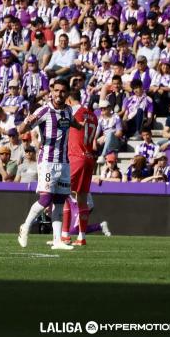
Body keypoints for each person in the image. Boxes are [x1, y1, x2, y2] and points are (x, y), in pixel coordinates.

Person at [17, 79, 81, 251]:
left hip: (64, 162)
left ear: (67, 94)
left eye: (62, 91)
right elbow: (21, 130)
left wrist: (82, 125)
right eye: (56, 90)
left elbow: (74, 123)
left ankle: (57, 240)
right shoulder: (44, 110)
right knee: (45, 199)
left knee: (60, 201)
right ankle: (26, 226)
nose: (59, 94)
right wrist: (27, 121)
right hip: (47, 161)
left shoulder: (68, 110)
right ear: (51, 92)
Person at [62, 90, 98, 247]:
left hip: (75, 157)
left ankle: (64, 235)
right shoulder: (93, 115)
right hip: (89, 158)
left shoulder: (73, 110)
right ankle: (81, 237)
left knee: (62, 193)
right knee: (82, 198)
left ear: (69, 100)